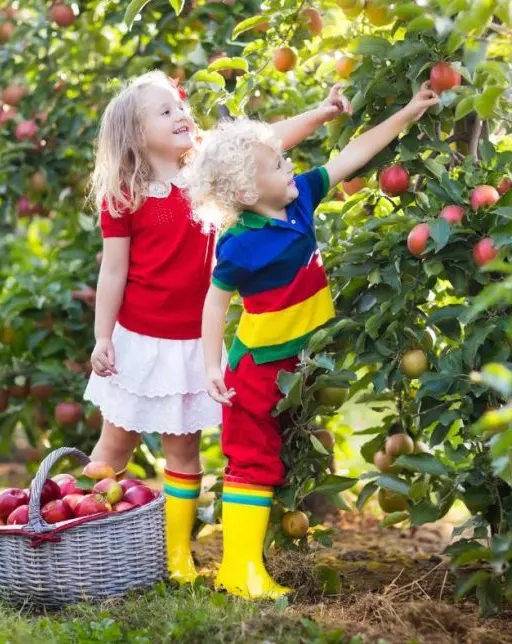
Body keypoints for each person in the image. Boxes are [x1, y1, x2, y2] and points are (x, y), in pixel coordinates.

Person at [83, 69, 351, 584]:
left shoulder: (204, 167)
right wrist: (103, 337)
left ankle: (175, 555)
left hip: (191, 341)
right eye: (164, 112)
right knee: (115, 442)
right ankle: (82, 530)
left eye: (179, 106)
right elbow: (112, 270)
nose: (181, 115)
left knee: (183, 451)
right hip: (139, 339)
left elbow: (266, 144)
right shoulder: (125, 193)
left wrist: (320, 113)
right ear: (135, 134)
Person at [188, 81, 440, 599]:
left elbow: (355, 152)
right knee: (251, 462)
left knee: (275, 458)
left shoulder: (301, 200)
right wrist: (211, 366)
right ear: (244, 193)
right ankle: (239, 570)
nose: (289, 167)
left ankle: (247, 564)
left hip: (297, 366)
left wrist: (409, 112)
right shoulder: (238, 245)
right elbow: (216, 303)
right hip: (256, 367)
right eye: (277, 165)